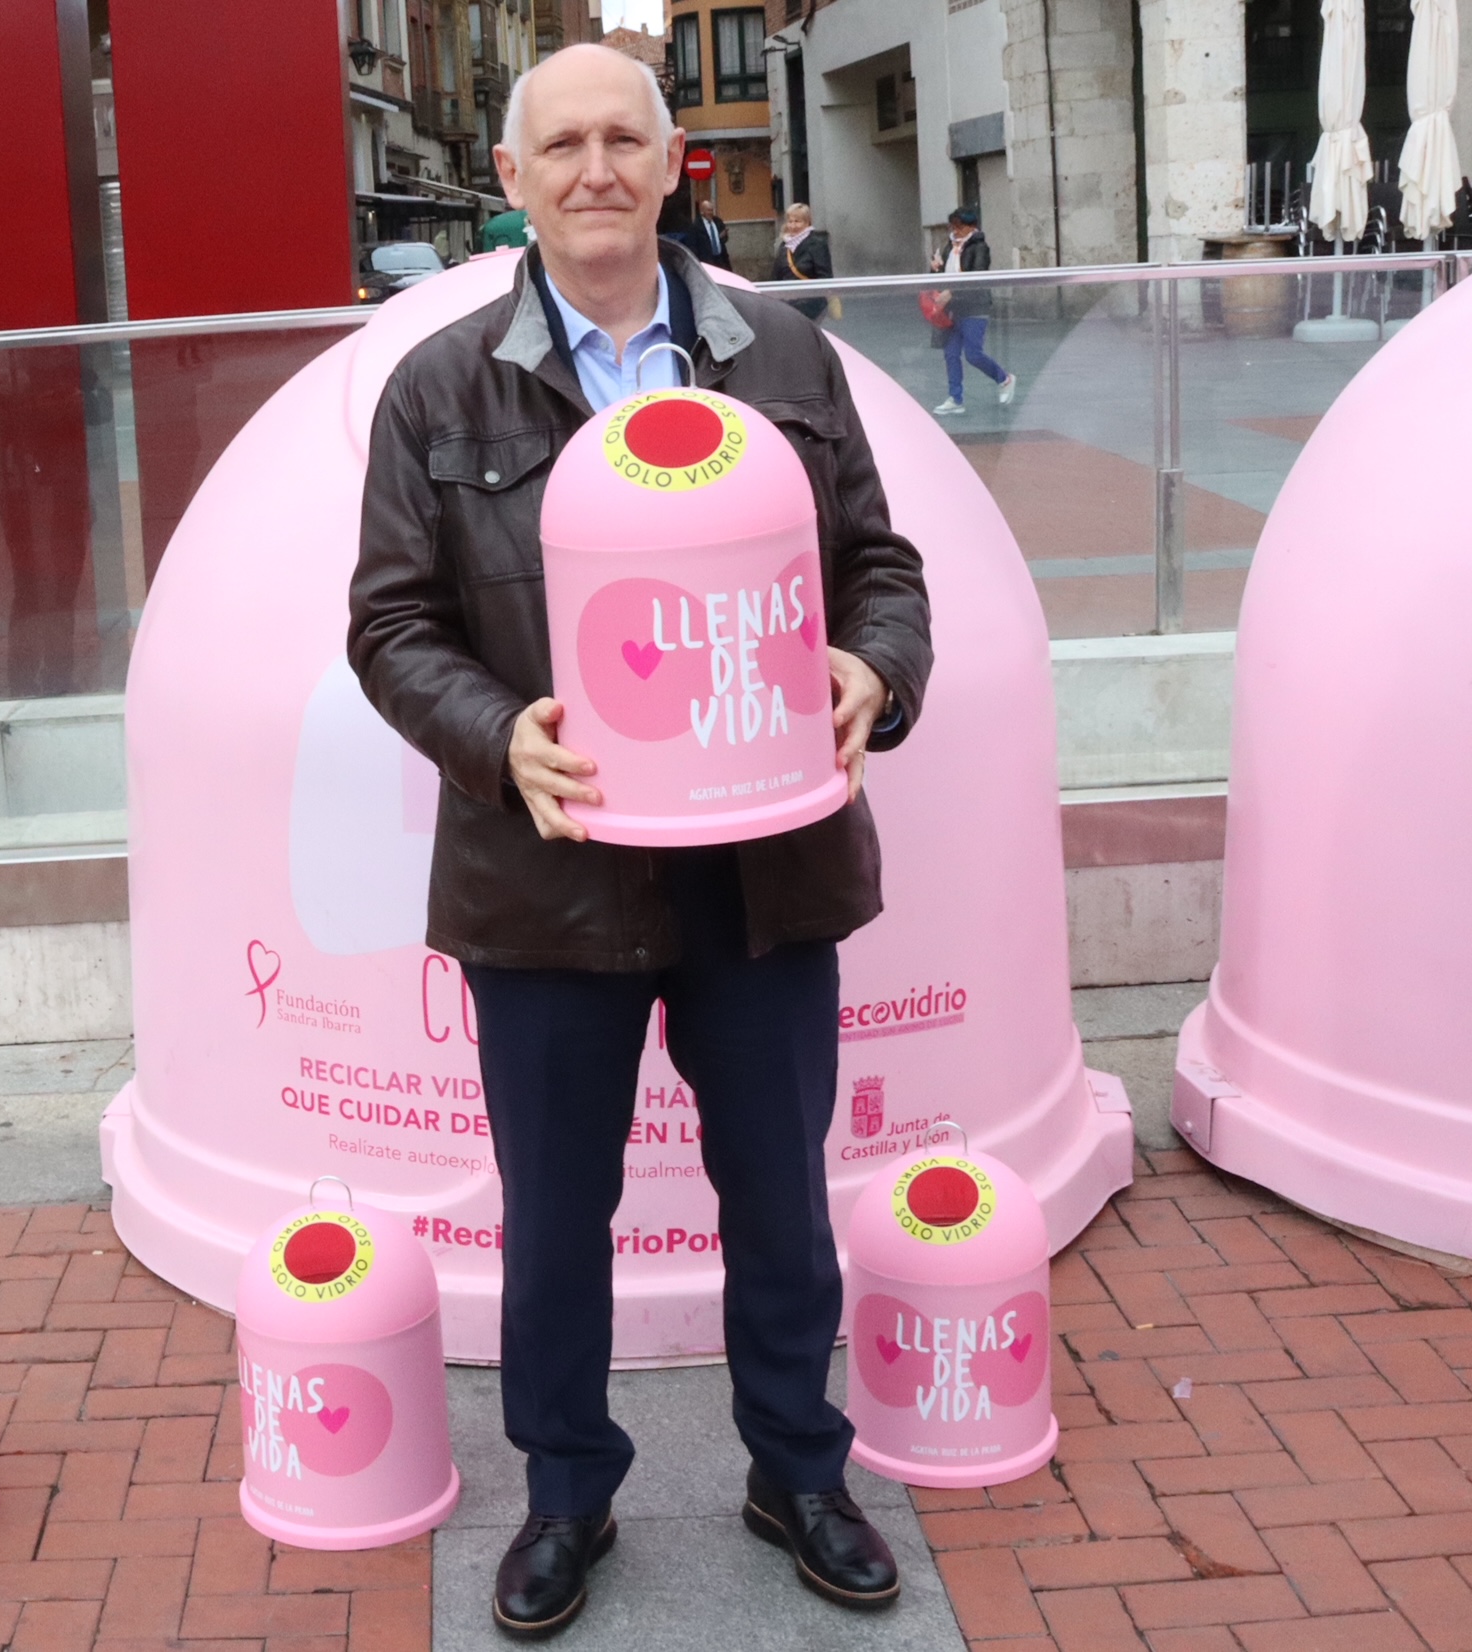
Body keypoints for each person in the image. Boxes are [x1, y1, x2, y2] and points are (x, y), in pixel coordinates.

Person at [349, 43, 932, 1640]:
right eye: (563, 146)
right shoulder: (437, 388)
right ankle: (564, 1496)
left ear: (676, 165)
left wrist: (871, 671)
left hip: (764, 871)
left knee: (779, 1198)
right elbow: (390, 625)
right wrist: (498, 738)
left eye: (624, 139)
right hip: (545, 874)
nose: (595, 169)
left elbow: (880, 568)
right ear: (513, 180)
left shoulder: (785, 359)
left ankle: (797, 1472)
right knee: (554, 1219)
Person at [927, 205, 1016, 416]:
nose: (955, 231)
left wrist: (951, 293)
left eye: (959, 227)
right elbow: (940, 278)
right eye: (953, 227)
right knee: (951, 354)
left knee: (973, 354)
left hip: (975, 307)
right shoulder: (949, 247)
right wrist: (935, 268)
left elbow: (976, 278)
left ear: (971, 227)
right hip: (953, 310)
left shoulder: (980, 247)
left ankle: (1004, 379)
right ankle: (955, 398)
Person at [766, 201, 833, 319]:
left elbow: (825, 277)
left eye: (797, 221)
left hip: (811, 305)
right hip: (786, 305)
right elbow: (776, 276)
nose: (792, 226)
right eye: (790, 221)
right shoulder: (784, 245)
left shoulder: (817, 244)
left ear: (807, 222)